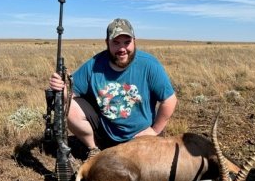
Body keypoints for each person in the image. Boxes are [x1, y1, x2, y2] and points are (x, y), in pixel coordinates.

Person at [49, 18, 177, 159]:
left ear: (135, 41)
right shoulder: (94, 65)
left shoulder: (149, 65)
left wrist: (154, 130)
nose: (122, 49)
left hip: (141, 136)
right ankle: (94, 149)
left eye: (127, 42)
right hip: (106, 134)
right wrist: (60, 88)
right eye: (116, 43)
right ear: (107, 43)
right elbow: (69, 94)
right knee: (68, 106)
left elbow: (169, 100)